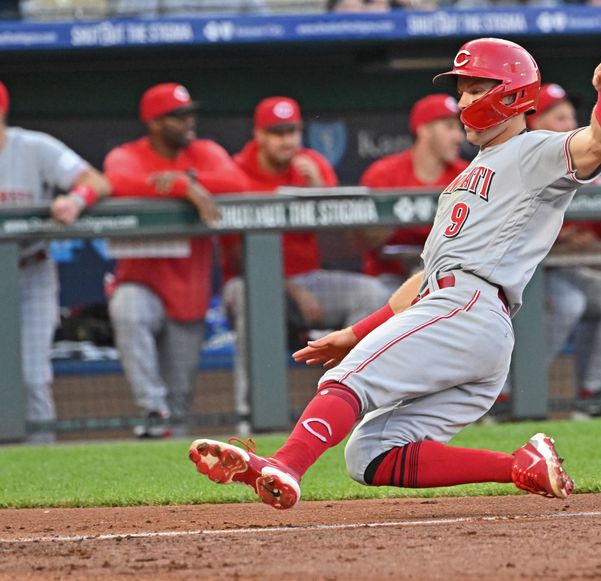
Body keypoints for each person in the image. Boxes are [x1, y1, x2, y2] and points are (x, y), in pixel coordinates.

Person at [189, 38, 601, 509]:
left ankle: (285, 463)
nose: (462, 101)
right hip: (469, 319)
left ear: (510, 95)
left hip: (469, 307)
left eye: (474, 88)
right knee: (368, 454)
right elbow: (425, 281)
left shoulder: (533, 152)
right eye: (460, 90)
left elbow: (600, 143)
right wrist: (358, 331)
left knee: (349, 381)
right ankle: (521, 465)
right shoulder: (467, 175)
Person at [220, 96, 392, 434]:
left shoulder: (311, 164)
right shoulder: (235, 171)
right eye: (276, 132)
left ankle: (353, 400)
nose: (287, 140)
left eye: (292, 131)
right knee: (247, 294)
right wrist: (291, 290)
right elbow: (235, 256)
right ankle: (251, 416)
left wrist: (318, 190)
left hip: (310, 280)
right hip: (252, 282)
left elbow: (341, 235)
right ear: (259, 135)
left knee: (370, 292)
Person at [104, 82, 249, 438]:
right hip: (142, 284)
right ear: (153, 123)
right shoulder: (129, 155)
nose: (188, 122)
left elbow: (238, 183)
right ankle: (152, 407)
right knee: (127, 308)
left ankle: (169, 471)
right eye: (177, 116)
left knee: (181, 399)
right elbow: (119, 181)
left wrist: (188, 178)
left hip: (190, 292)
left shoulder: (205, 152)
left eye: (189, 114)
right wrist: (186, 190)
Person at [0, 80, 111, 443]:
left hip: (30, 269)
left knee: (32, 376)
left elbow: (94, 180)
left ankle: (39, 458)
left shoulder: (33, 147)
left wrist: (76, 200)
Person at [528, 83, 601, 418]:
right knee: (570, 304)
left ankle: (593, 393)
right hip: (527, 272)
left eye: (572, 117)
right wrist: (561, 236)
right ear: (534, 123)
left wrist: (583, 228)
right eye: (560, 117)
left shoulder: (583, 164)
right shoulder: (523, 159)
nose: (570, 124)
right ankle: (517, 391)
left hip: (565, 269)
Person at [356, 93, 469, 292]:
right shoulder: (383, 174)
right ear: (424, 130)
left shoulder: (467, 175)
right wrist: (395, 216)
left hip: (450, 280)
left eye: (459, 127)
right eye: (449, 127)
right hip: (390, 281)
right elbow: (362, 242)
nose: (459, 136)